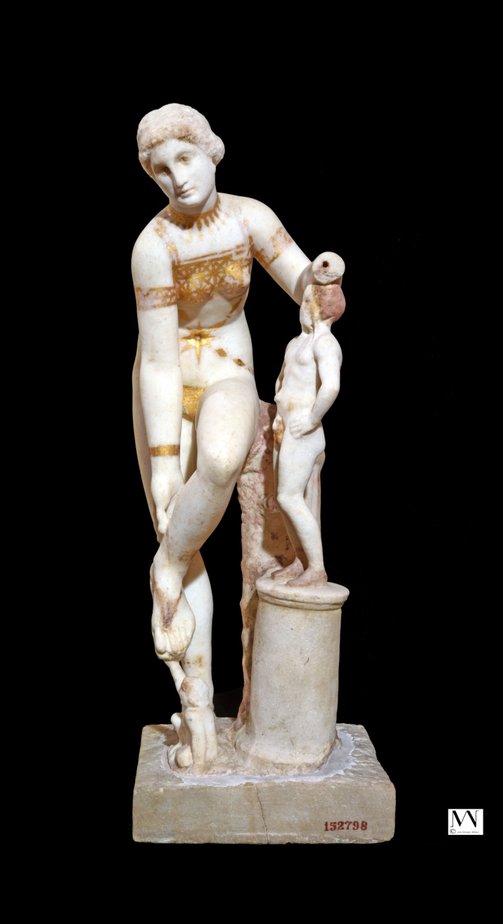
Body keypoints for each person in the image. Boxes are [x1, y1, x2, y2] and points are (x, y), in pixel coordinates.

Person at [132, 104, 345, 703]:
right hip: (163, 387)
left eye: (185, 158)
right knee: (179, 527)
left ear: (212, 151)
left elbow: (299, 278)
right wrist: (165, 459)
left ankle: (163, 565)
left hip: (229, 372)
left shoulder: (250, 218)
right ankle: (198, 703)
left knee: (223, 460)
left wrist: (321, 282)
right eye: (161, 170)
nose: (178, 179)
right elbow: (159, 362)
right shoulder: (153, 246)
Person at [272, 252, 345, 586]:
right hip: (287, 427)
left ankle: (316, 566)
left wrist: (312, 419)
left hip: (304, 430)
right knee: (287, 498)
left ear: (318, 305)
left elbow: (331, 387)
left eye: (306, 300)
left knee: (288, 497)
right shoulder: (296, 343)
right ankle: (300, 561)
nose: (301, 305)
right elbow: (282, 383)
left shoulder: (325, 343)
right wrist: (279, 417)